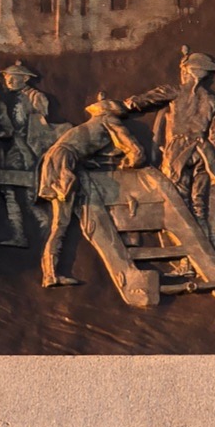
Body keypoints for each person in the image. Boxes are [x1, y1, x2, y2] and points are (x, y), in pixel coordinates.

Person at [37, 93, 146, 288]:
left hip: (57, 161)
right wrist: (135, 160)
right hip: (63, 165)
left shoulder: (92, 124)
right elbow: (132, 146)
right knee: (61, 223)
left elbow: (82, 147)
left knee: (60, 224)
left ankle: (50, 274)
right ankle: (51, 275)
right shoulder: (108, 120)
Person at [122, 47, 215, 240]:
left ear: (189, 72)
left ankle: (186, 244)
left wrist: (130, 103)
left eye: (184, 70)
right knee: (199, 201)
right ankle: (202, 239)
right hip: (203, 151)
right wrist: (211, 158)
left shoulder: (175, 91)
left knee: (178, 197)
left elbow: (144, 100)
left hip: (178, 149)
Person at [0, 61, 53, 247]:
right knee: (9, 189)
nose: (9, 81)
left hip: (30, 148)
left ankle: (45, 227)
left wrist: (30, 151)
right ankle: (18, 234)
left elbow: (40, 127)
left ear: (26, 79)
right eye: (7, 77)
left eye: (14, 77)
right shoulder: (8, 99)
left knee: (29, 191)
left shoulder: (36, 97)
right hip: (13, 147)